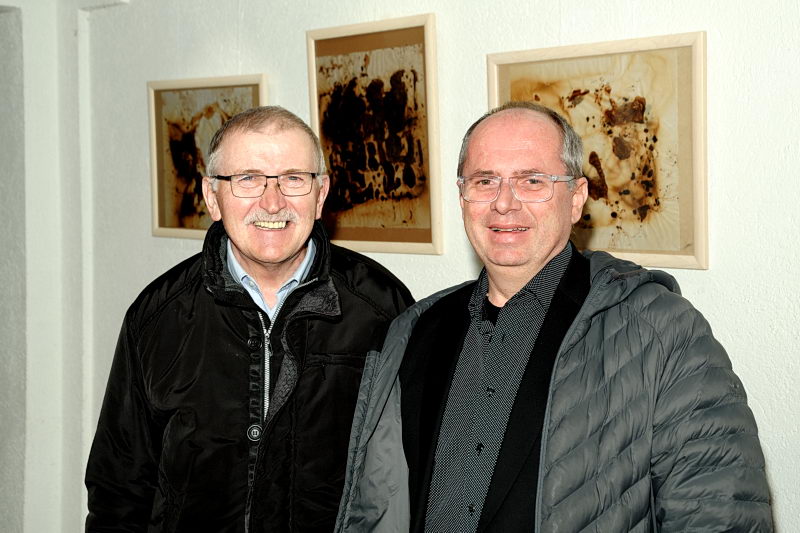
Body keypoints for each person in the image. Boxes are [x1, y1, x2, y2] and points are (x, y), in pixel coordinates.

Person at [334, 101, 773, 532]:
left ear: (576, 198)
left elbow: (719, 515)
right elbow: (377, 507)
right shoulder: (415, 329)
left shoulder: (661, 332)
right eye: (485, 181)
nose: (504, 203)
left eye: (532, 181)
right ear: (462, 196)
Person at [85, 106, 414, 532]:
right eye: (248, 179)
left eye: (293, 179)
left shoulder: (382, 309)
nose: (272, 202)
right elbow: (119, 489)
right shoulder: (157, 317)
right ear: (212, 197)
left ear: (320, 195)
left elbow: (406, 479)